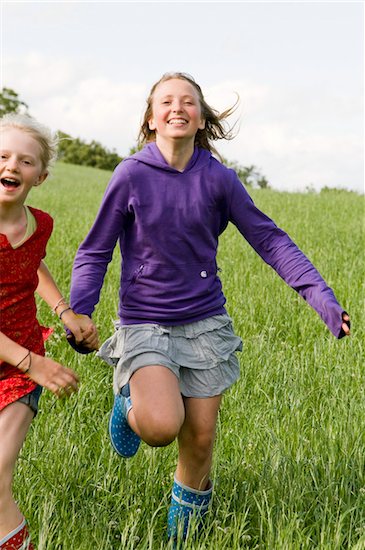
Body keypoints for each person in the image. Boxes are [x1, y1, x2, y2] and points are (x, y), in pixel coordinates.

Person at [69, 72, 351, 543]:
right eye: (166, 101)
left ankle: (186, 539)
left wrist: (320, 297)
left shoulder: (218, 179)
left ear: (201, 118)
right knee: (161, 426)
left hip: (204, 324)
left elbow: (270, 239)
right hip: (146, 323)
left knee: (199, 439)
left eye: (188, 102)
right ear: (151, 117)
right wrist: (80, 308)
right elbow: (95, 249)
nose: (177, 107)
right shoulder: (130, 175)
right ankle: (130, 402)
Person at [0, 113, 99, 550]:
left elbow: (31, 263)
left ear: (39, 177)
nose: (11, 167)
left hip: (19, 364)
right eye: (3, 156)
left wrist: (64, 311)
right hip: (27, 361)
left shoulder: (40, 224)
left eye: (24, 161)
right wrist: (35, 363)